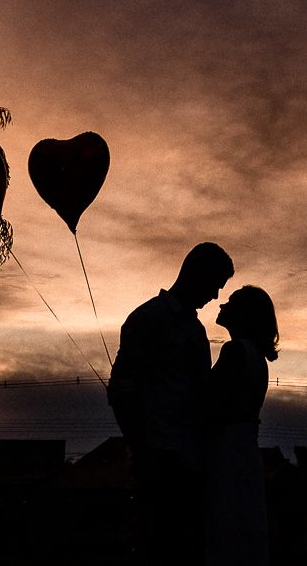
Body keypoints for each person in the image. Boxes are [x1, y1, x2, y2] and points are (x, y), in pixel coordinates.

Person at [109, 242, 234, 565]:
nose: (216, 296)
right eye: (215, 285)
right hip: (160, 461)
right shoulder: (148, 319)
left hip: (190, 462)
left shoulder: (195, 330)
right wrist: (143, 452)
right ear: (196, 274)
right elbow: (122, 390)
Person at [203, 285, 277, 566]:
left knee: (223, 527)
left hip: (226, 449)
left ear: (244, 315)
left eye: (231, 302)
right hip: (245, 448)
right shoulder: (257, 357)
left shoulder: (235, 351)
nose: (222, 306)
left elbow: (208, 402)